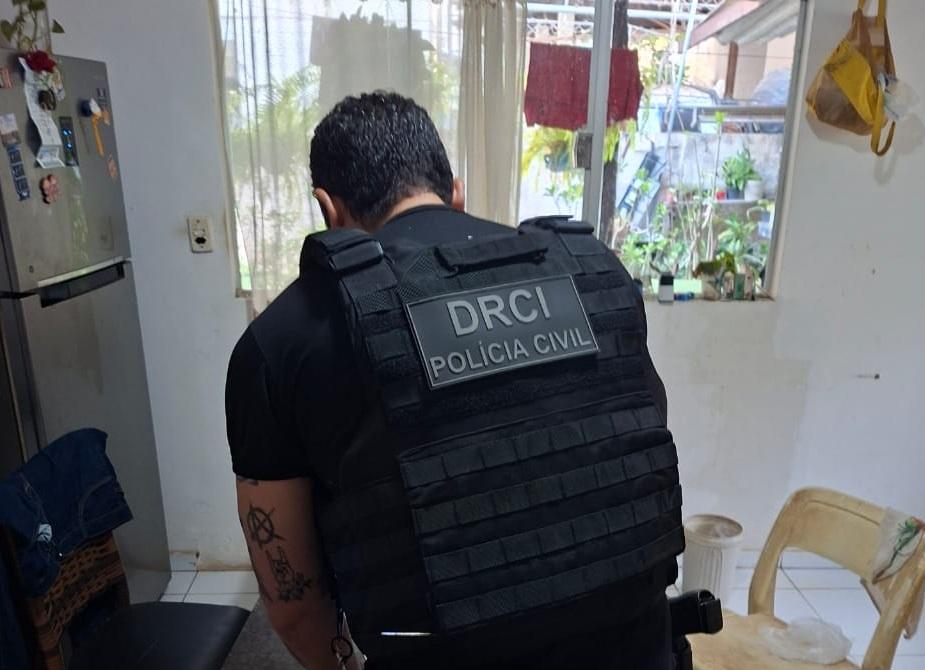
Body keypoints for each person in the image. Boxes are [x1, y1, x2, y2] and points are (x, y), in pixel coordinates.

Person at [226, 92, 680, 670]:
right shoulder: (596, 272)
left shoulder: (278, 342)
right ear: (455, 192)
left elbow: (293, 603)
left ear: (328, 208)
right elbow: (638, 440)